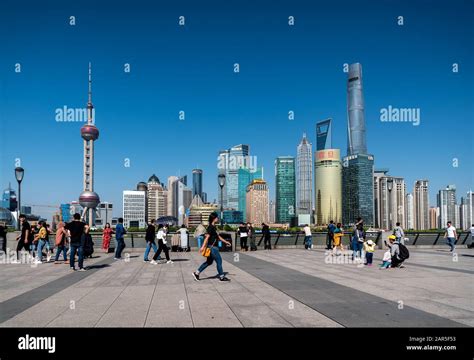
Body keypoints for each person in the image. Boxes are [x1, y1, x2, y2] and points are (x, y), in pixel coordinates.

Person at [192, 212, 231, 282]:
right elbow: (207, 237)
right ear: (214, 218)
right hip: (213, 248)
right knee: (219, 261)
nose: (218, 218)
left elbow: (218, 237)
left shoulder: (213, 227)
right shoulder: (210, 227)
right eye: (217, 217)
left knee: (209, 262)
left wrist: (226, 241)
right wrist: (202, 247)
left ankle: (196, 273)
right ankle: (222, 276)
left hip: (211, 248)